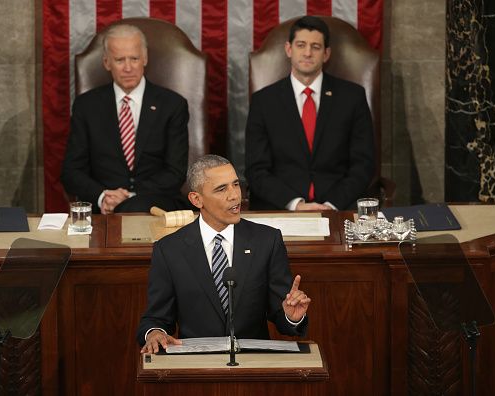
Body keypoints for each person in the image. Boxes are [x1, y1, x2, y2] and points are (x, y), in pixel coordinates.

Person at [137, 154, 311, 353]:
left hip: (254, 366)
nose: (235, 196)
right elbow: (156, 318)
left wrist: (292, 316)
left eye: (236, 184)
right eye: (222, 189)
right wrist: (154, 333)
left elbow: (282, 315)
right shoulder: (169, 249)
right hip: (196, 368)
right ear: (196, 199)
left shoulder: (267, 241)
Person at [245, 16, 375, 211]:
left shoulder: (352, 97)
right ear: (289, 49)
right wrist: (295, 205)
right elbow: (256, 170)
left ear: (326, 54)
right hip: (281, 208)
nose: (307, 53)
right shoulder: (264, 101)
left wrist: (331, 205)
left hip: (340, 207)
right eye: (301, 45)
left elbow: (363, 165)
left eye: (315, 47)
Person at [61, 24, 189, 213]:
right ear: (106, 62)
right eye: (120, 60)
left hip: (155, 205)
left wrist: (129, 198)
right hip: (103, 208)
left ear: (145, 59)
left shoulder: (172, 105)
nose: (128, 68)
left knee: (135, 208)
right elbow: (71, 172)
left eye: (134, 59)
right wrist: (103, 196)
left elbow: (175, 172)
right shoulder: (86, 106)